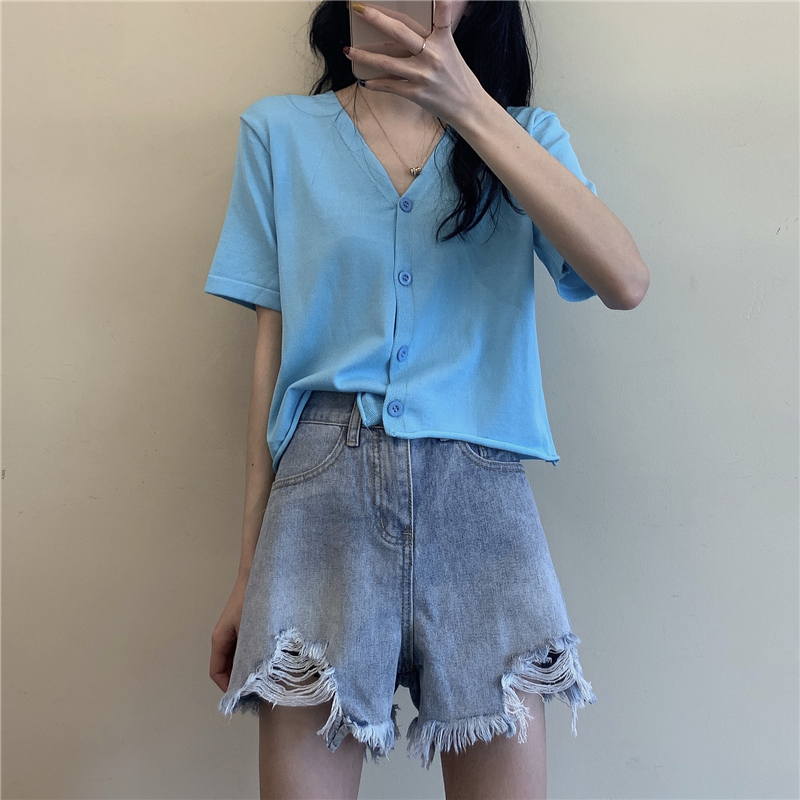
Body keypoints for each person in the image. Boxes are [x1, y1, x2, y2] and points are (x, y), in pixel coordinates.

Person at [206, 1, 649, 798]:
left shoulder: (523, 136)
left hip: (482, 510)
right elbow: (268, 361)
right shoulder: (279, 134)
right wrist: (248, 570)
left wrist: (469, 105)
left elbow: (624, 280)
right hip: (318, 511)